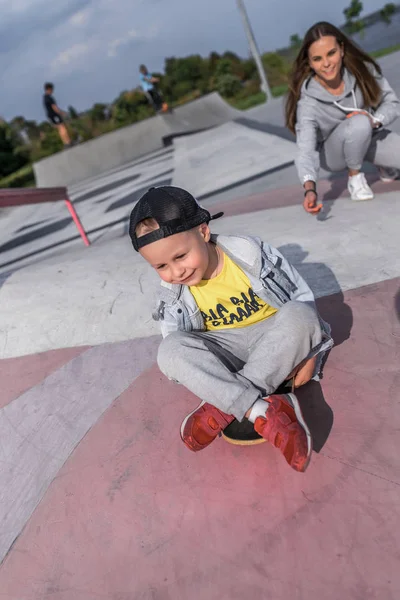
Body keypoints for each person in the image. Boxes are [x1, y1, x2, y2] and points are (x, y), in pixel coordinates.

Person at [128, 186, 334, 472]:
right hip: (228, 350)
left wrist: (312, 353)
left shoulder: (250, 254)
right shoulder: (171, 293)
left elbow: (301, 299)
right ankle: (263, 410)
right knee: (169, 351)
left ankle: (223, 406)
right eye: (161, 266)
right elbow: (180, 350)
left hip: (273, 339)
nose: (176, 272)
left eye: (181, 256)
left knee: (301, 315)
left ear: (202, 232)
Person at [285, 22, 400, 212]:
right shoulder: (308, 104)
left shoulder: (363, 71)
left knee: (363, 124)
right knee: (359, 122)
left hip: (368, 134)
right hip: (333, 156)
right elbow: (306, 151)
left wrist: (375, 120)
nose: (326, 63)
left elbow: (392, 103)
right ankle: (355, 179)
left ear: (342, 49)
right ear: (310, 62)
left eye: (331, 53)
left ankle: (385, 165)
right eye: (317, 58)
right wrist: (310, 188)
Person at [43, 83, 72, 148]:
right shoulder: (49, 98)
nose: (53, 91)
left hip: (50, 116)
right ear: (49, 89)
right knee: (62, 127)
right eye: (52, 89)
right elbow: (54, 108)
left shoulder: (44, 98)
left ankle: (66, 143)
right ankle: (68, 142)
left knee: (60, 128)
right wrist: (62, 113)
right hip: (54, 115)